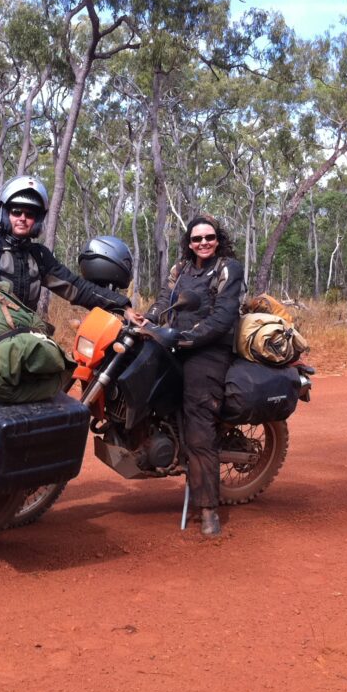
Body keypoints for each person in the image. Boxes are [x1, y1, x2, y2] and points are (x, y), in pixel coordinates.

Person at [146, 214, 244, 536]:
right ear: (189, 243)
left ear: (218, 239)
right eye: (196, 239)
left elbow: (223, 317)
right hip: (177, 341)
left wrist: (185, 338)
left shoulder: (227, 268)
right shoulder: (181, 269)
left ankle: (208, 508)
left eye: (209, 237)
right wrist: (146, 322)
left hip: (210, 349)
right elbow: (164, 301)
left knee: (199, 417)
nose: (203, 243)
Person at [0, 175, 142, 323]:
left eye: (29, 214)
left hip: (24, 333)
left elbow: (76, 288)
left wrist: (122, 305)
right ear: (5, 213)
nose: (22, 218)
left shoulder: (39, 256)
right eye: (16, 211)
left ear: (37, 220)